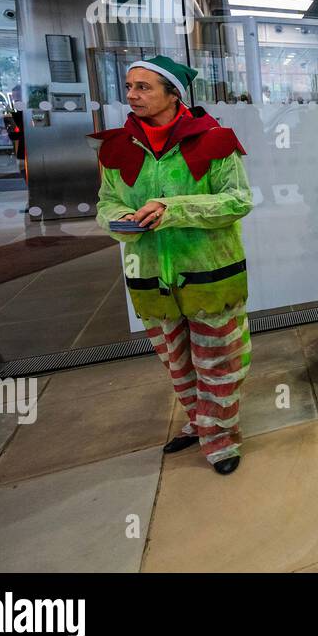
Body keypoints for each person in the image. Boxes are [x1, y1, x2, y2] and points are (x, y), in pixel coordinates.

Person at [91, 55, 253, 475]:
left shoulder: (214, 139)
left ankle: (220, 439)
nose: (131, 95)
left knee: (219, 361)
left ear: (172, 93)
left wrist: (172, 208)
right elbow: (106, 201)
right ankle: (199, 422)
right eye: (129, 86)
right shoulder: (118, 148)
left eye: (143, 87)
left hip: (210, 275)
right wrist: (117, 222)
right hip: (148, 277)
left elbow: (237, 201)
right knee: (178, 364)